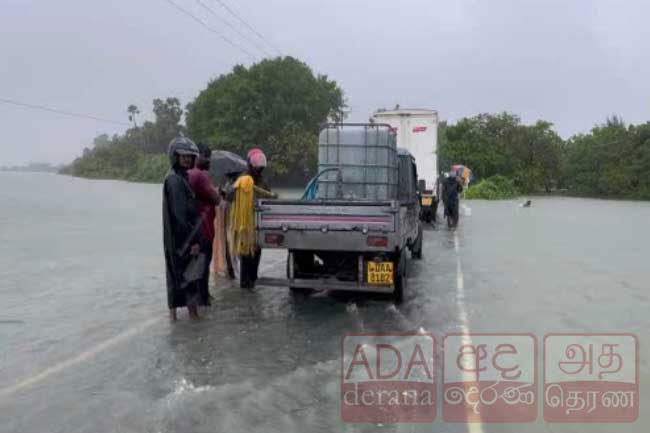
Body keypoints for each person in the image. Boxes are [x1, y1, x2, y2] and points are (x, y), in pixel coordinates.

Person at [163, 136, 203, 321]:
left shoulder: (179, 177)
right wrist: (192, 242)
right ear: (175, 156)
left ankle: (175, 321)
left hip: (176, 240)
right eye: (183, 156)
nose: (187, 159)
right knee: (189, 280)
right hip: (182, 240)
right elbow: (180, 216)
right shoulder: (175, 181)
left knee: (175, 277)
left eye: (189, 156)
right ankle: (193, 319)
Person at [227, 148, 276, 289]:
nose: (259, 167)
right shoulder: (242, 179)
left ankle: (252, 286)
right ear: (249, 164)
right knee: (246, 260)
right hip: (244, 227)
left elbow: (269, 199)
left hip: (258, 227)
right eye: (256, 163)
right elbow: (229, 196)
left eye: (261, 164)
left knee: (255, 258)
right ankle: (245, 288)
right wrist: (236, 187)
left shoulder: (262, 182)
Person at [188, 142, 221, 306]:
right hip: (204, 228)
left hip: (191, 229)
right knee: (203, 265)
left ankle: (199, 298)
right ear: (198, 156)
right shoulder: (201, 175)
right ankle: (204, 299)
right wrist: (217, 193)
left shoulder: (186, 174)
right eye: (206, 157)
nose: (209, 161)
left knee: (195, 266)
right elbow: (216, 199)